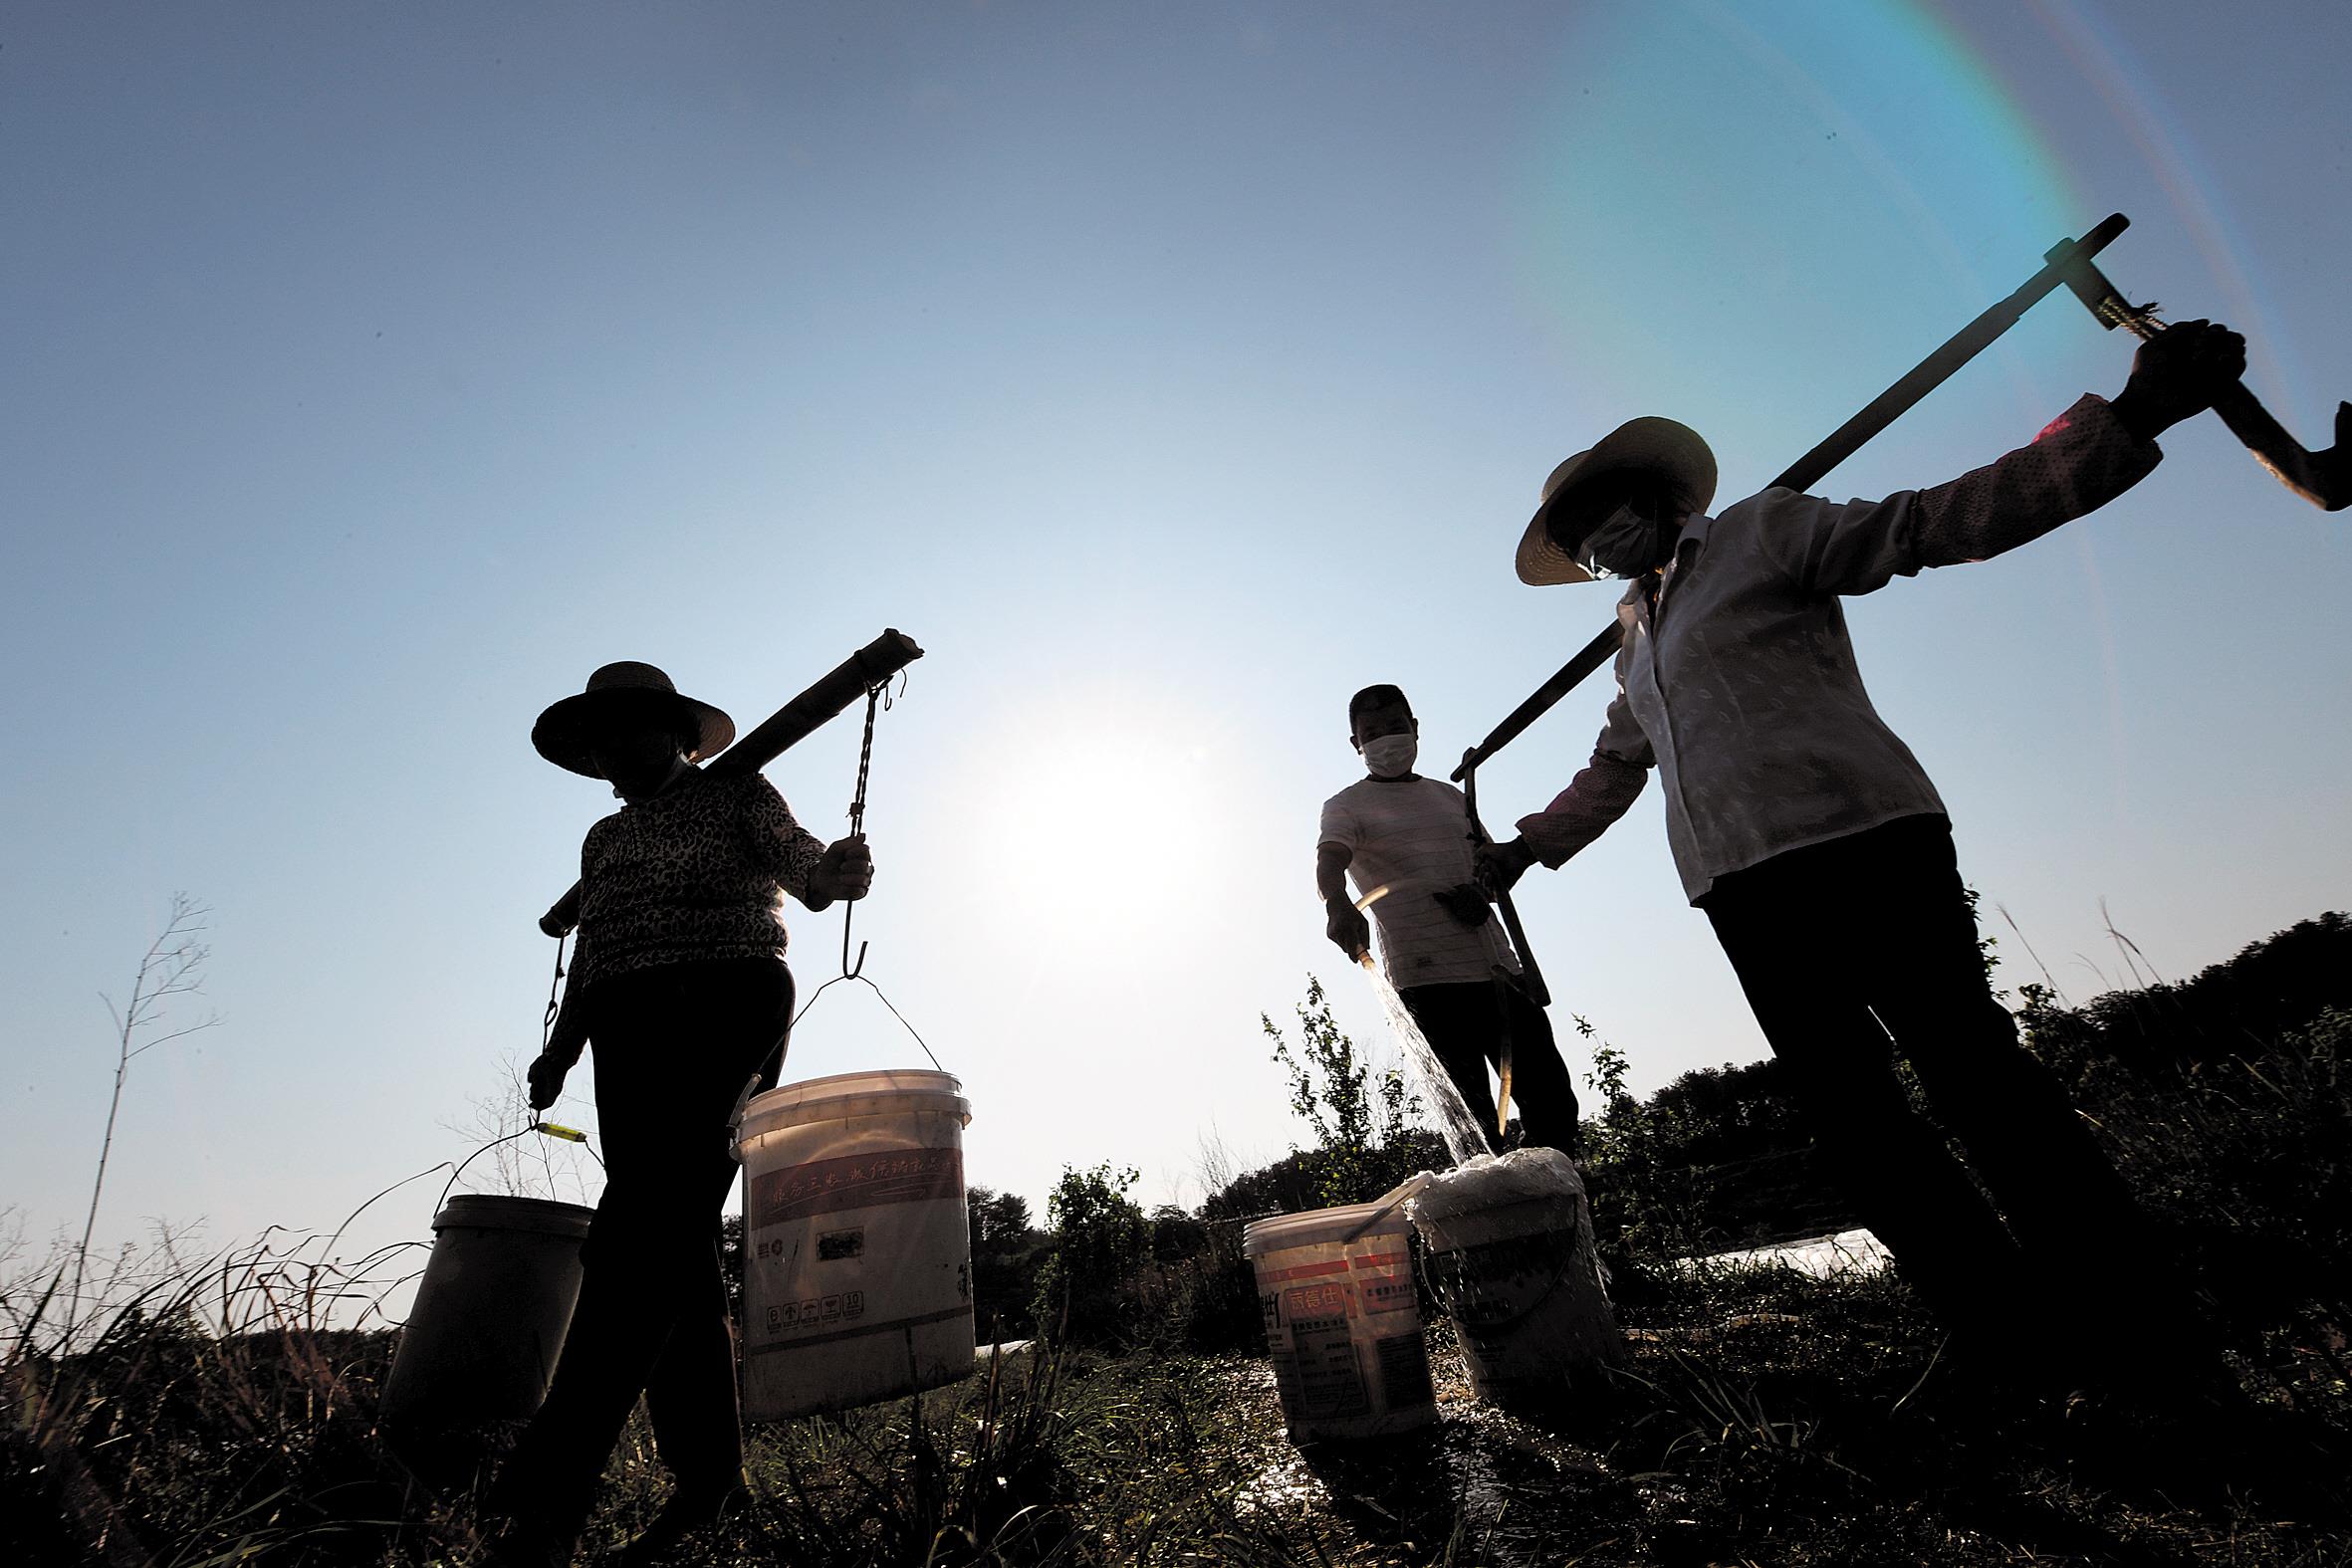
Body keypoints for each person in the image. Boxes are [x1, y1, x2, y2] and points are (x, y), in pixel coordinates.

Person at [1474, 323, 2247, 1392]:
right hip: (1741, 888)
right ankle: (2008, 1341)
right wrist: (1523, 849)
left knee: (1978, 1082)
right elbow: (1617, 761)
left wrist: (2127, 419)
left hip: (1864, 842)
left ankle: (2146, 1337)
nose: (1598, 541)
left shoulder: (1762, 532)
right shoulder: (1635, 635)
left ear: (1652, 495)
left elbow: (1932, 523)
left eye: (1603, 514)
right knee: (1858, 1128)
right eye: (1579, 537)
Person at [486, 661, 874, 1568]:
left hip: (727, 1006)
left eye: (630, 730)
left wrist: (836, 870)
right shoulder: (601, 842)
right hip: (629, 1031)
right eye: (601, 739)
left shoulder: (737, 795)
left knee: (640, 1230)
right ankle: (709, 1484)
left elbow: (806, 870)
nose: (614, 751)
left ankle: (555, 1476)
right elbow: (594, 950)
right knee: (674, 1248)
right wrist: (561, 1047)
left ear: (675, 733)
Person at [1318, 684, 1577, 1158]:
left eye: (1395, 727)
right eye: (1371, 733)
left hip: (1500, 973)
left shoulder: (1453, 798)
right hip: (1426, 980)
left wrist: (1482, 893)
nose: (1386, 739)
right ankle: (1499, 1225)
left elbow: (1495, 869)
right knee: (1476, 1125)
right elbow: (1330, 862)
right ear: (1355, 744)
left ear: (1415, 728)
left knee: (1553, 1106)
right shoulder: (1345, 806)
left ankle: (1559, 1214)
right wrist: (1338, 905)